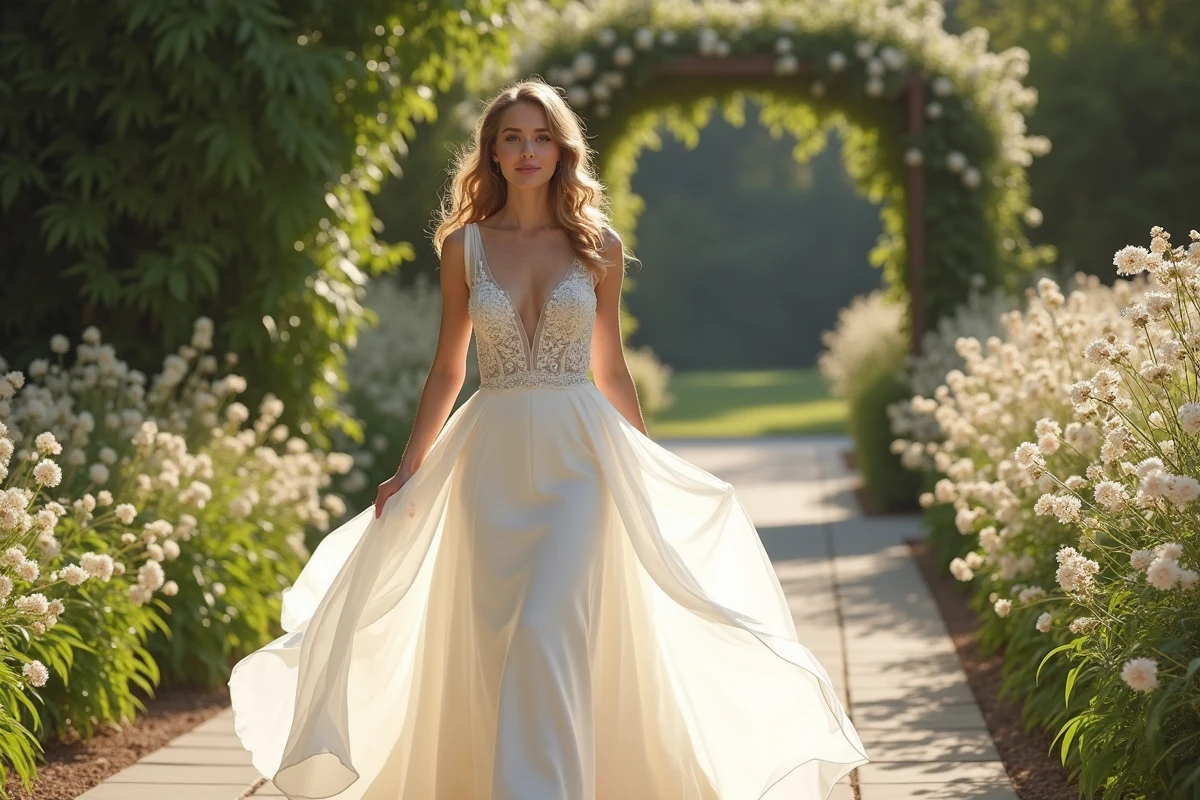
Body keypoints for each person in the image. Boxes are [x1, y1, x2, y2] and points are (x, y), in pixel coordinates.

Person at [228, 78, 868, 800]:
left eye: (540, 137)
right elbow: (447, 367)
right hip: (488, 464)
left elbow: (610, 364)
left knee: (545, 632)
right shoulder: (463, 247)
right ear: (492, 154)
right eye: (512, 138)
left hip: (579, 462)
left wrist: (645, 466)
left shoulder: (599, 245)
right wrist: (408, 470)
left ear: (561, 150)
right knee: (495, 644)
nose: (527, 151)